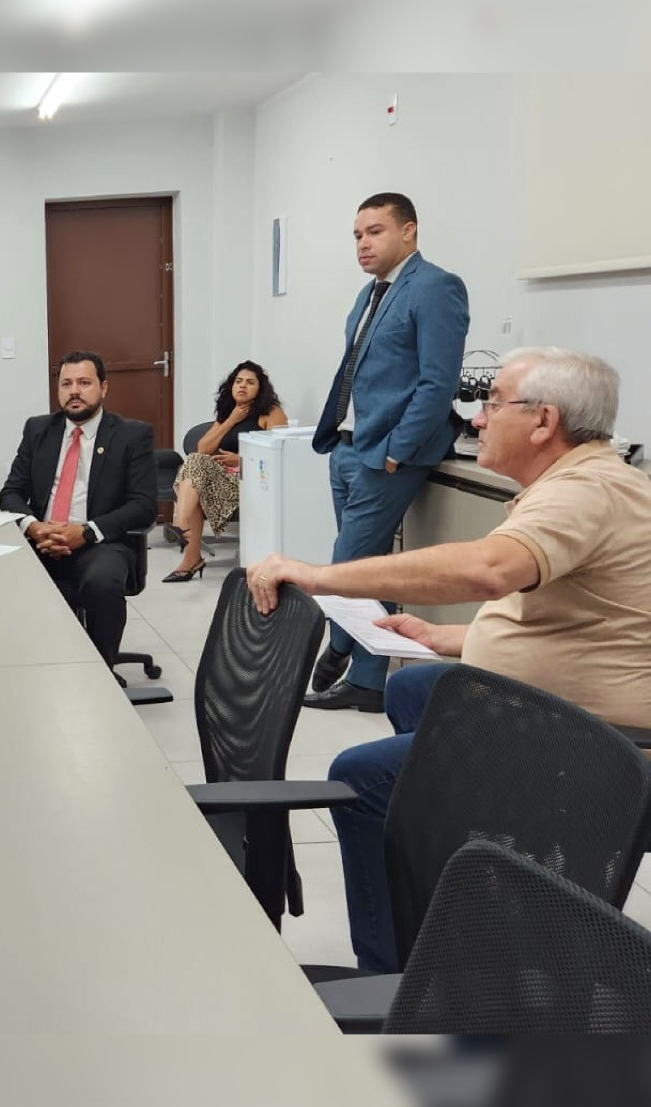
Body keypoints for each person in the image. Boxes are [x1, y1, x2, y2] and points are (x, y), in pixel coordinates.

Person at [246, 347, 651, 973]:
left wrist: (320, 576)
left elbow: (489, 570)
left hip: (599, 742)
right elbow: (581, 620)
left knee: (363, 779)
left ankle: (397, 981)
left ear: (544, 421)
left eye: (492, 404)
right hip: (571, 707)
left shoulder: (584, 492)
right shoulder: (586, 479)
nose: (476, 418)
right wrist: (454, 638)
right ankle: (468, 866)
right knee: (412, 691)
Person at [306, 192, 469, 713]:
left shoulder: (436, 287)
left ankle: (339, 647)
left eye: (375, 231)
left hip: (387, 455)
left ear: (408, 231)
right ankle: (370, 680)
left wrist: (399, 448)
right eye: (357, 235)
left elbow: (437, 383)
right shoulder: (369, 294)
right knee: (372, 567)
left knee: (348, 566)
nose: (363, 243)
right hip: (348, 447)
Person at [0, 351, 158, 671]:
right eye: (66, 384)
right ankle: (35, 669)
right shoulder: (38, 430)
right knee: (2, 580)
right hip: (42, 540)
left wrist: (85, 532)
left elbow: (143, 506)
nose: (74, 391)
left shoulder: (131, 435)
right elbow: (11, 492)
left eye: (84, 383)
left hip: (100, 542)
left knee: (102, 584)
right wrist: (34, 527)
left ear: (103, 388)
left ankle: (100, 673)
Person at [165, 360, 287, 582]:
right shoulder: (229, 412)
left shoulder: (271, 413)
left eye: (250, 382)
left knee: (194, 480)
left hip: (251, 481)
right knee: (195, 463)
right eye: (238, 381)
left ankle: (184, 538)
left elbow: (279, 456)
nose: (243, 386)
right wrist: (231, 420)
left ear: (260, 388)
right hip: (221, 478)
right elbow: (203, 448)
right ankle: (187, 542)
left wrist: (240, 460)